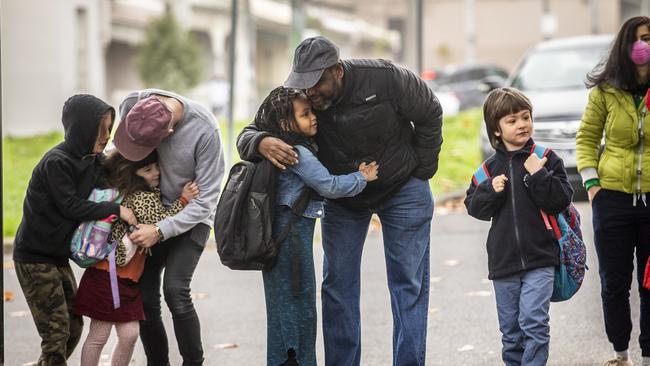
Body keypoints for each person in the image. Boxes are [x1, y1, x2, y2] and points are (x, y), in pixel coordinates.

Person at [238, 36, 443, 366]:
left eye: (317, 82)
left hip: (403, 186)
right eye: (303, 83)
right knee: (338, 286)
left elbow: (430, 112)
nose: (310, 92)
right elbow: (247, 132)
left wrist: (423, 169)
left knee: (409, 283)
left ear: (337, 70)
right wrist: (260, 141)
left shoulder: (386, 77)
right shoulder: (297, 97)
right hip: (344, 198)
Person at [253, 86, 378, 366]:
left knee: (283, 306)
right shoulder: (297, 152)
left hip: (283, 235)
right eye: (305, 114)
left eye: (311, 111)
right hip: (291, 238)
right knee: (300, 307)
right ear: (286, 123)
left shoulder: (286, 145)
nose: (313, 118)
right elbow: (328, 185)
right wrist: (361, 177)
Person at [12, 94, 137, 365]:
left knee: (73, 327)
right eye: (100, 129)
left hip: (57, 257)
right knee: (56, 333)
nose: (106, 136)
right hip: (34, 257)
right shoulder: (57, 162)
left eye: (109, 128)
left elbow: (117, 173)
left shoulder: (91, 159)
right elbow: (71, 206)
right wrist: (116, 211)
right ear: (82, 130)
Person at [113, 89, 225, 366]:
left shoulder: (205, 131)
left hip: (192, 216)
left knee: (175, 290)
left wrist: (160, 230)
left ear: (171, 129)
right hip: (150, 214)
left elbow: (206, 202)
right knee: (146, 297)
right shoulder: (133, 104)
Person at [464, 87, 573, 366]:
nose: (522, 124)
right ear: (496, 130)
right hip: (504, 262)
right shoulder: (488, 170)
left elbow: (560, 200)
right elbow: (473, 207)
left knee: (534, 323)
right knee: (511, 332)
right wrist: (490, 190)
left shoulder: (545, 157)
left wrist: (538, 174)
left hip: (540, 257)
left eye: (525, 117)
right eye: (512, 121)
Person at [74, 150, 199, 366]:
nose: (156, 173)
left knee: (130, 334)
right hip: (108, 277)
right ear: (134, 174)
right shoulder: (141, 197)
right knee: (99, 335)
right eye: (147, 170)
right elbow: (160, 221)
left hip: (125, 279)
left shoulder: (141, 193)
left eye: (156, 167)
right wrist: (184, 200)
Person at [576, 15, 650, 366]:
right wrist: (592, 185)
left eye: (648, 37)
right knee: (614, 283)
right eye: (638, 38)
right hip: (612, 201)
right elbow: (587, 138)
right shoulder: (606, 90)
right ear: (625, 45)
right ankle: (620, 353)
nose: (643, 44)